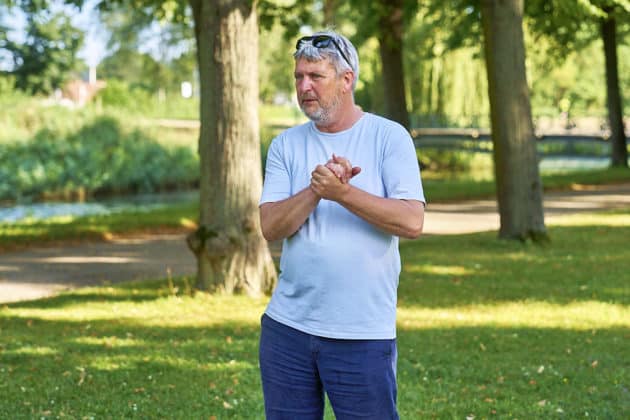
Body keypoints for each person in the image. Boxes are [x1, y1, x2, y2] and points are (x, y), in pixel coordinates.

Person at [258, 29, 426, 419]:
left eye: (316, 76)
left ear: (347, 79)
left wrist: (343, 193)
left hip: (362, 334)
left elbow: (412, 221)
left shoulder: (388, 137)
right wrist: (316, 190)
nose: (304, 87)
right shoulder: (286, 145)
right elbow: (270, 226)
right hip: (287, 331)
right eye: (299, 77)